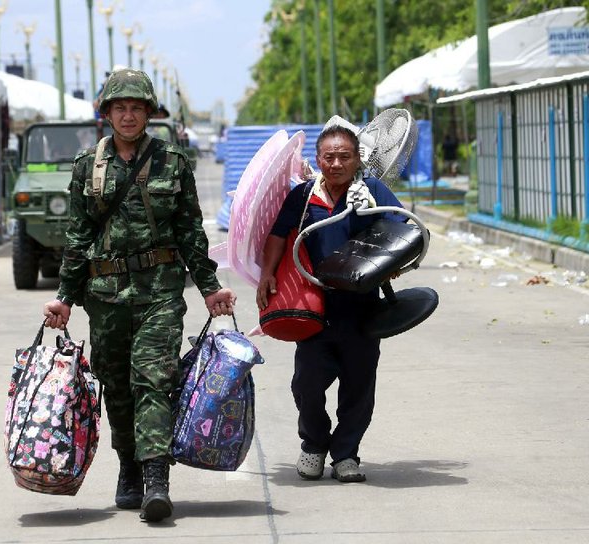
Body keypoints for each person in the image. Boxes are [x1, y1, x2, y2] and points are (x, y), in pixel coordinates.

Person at [43, 68, 236, 522]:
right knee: (117, 388)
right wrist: (64, 298)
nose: (128, 116)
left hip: (160, 294)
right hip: (105, 296)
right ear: (106, 114)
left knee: (153, 379)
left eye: (136, 108)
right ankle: (128, 467)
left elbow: (191, 233)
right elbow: (78, 237)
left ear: (149, 113)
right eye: (119, 108)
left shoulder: (174, 162)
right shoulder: (86, 166)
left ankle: (155, 479)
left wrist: (209, 288)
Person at [256, 116, 406, 483]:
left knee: (358, 385)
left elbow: (403, 230)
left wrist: (394, 263)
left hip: (362, 308)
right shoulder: (304, 196)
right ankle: (313, 445)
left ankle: (346, 455)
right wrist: (268, 273)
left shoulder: (372, 193)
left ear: (357, 159)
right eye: (329, 157)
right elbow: (278, 234)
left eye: (344, 156)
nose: (336, 164)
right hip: (315, 306)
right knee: (306, 383)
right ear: (318, 159)